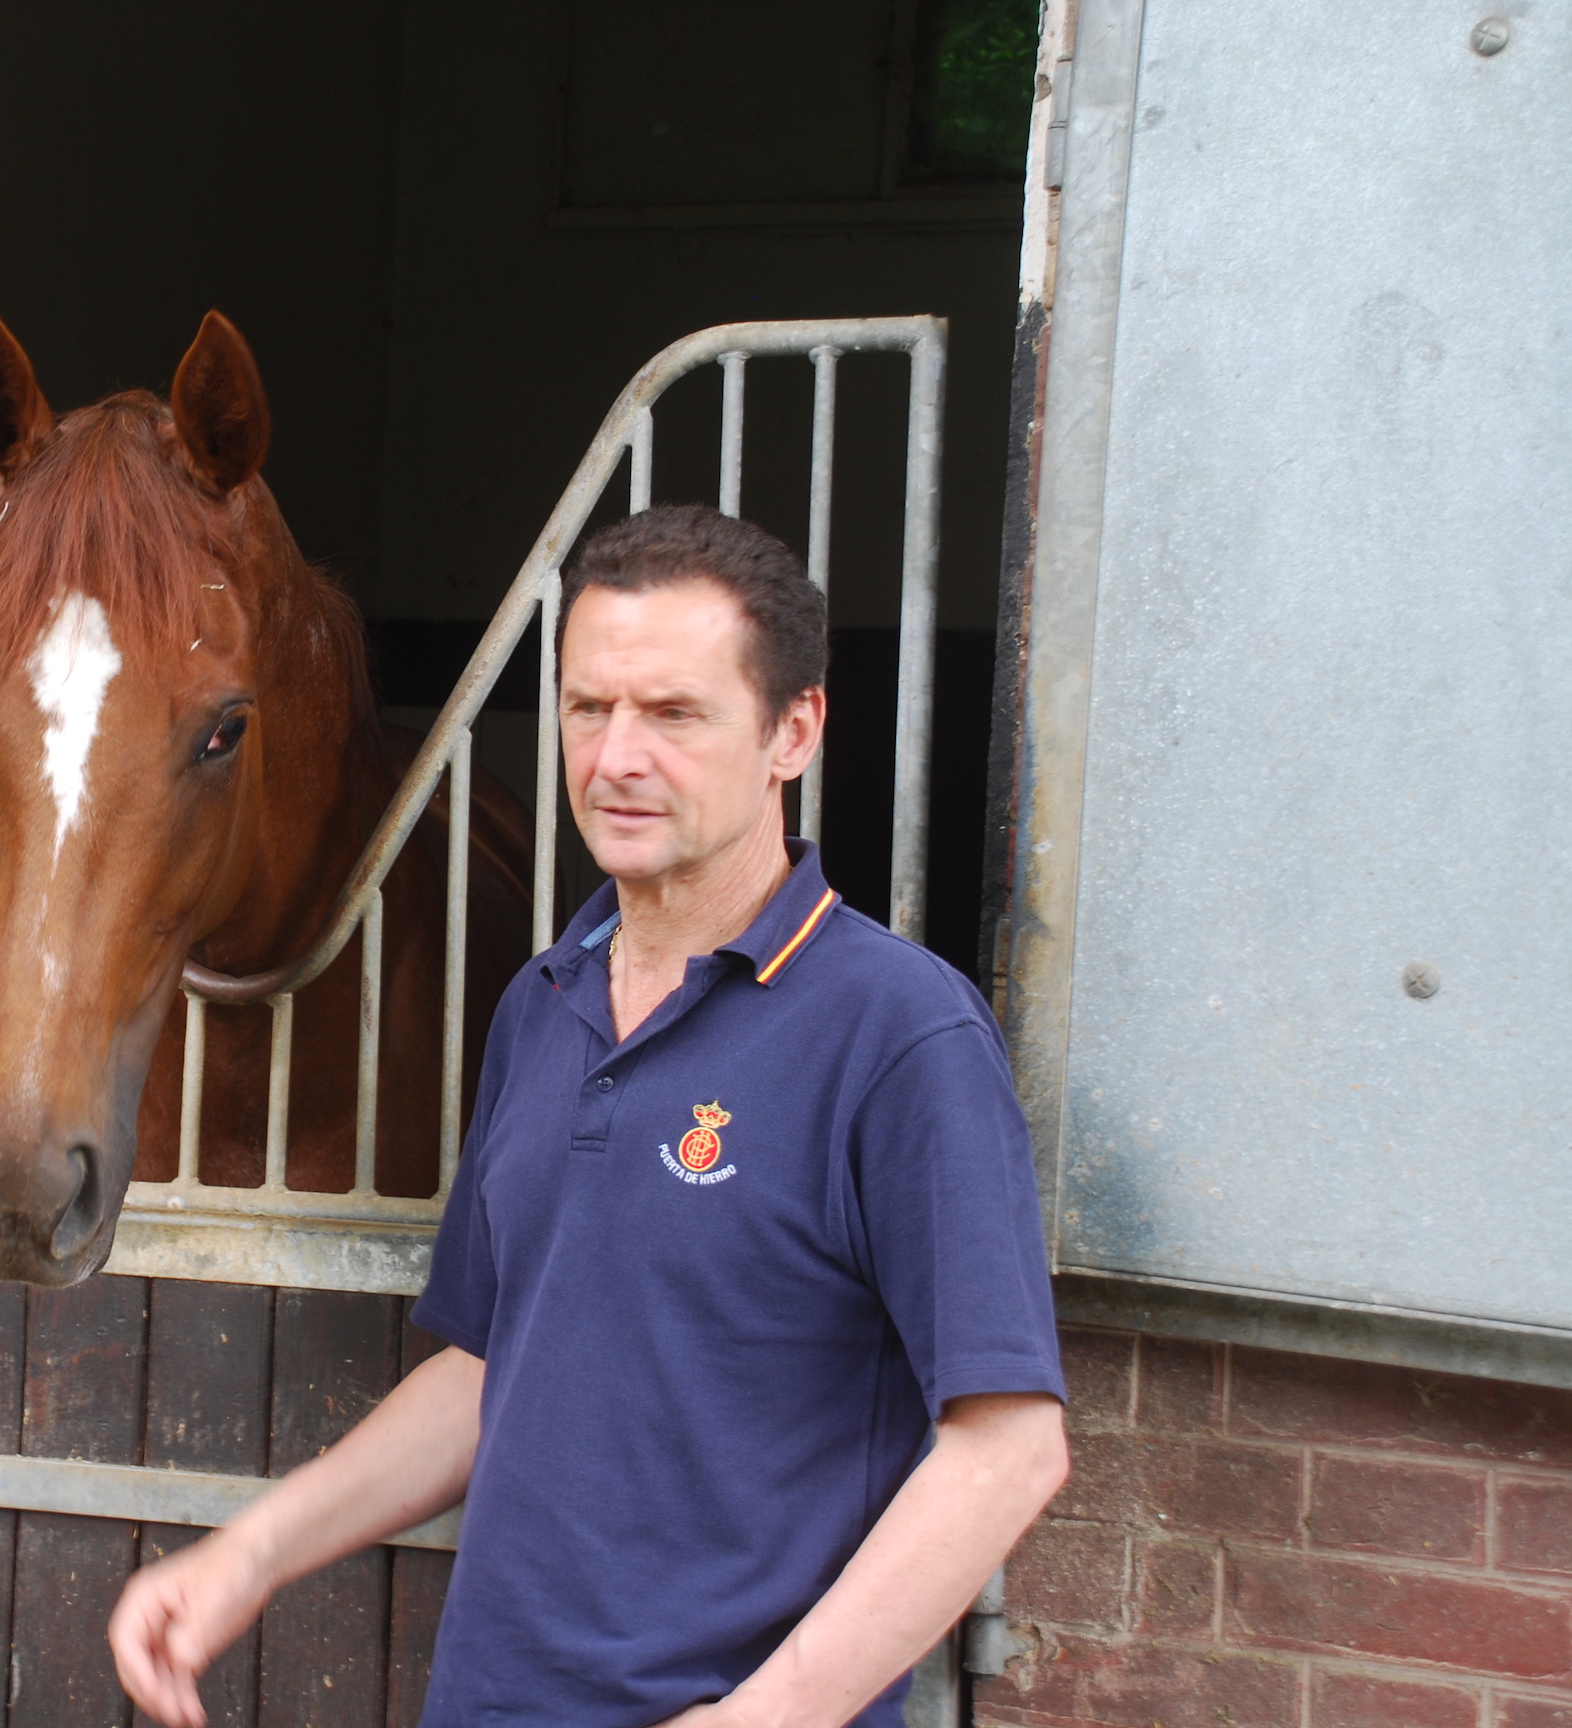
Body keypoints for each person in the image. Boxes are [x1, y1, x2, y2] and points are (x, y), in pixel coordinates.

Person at [109, 504, 1069, 1728]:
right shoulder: (544, 1003)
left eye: (673, 714)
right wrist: (251, 1552)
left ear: (793, 731)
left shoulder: (896, 1035)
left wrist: (763, 1719)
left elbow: (1007, 1450)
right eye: (586, 708)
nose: (616, 758)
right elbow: (491, 1367)